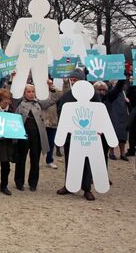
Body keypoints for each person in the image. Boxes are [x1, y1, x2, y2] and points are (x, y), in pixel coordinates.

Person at [56, 69, 99, 200]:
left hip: (87, 136)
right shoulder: (67, 96)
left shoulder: (93, 96)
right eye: (72, 80)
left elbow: (99, 113)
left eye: (76, 80)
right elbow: (61, 113)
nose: (74, 82)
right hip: (71, 136)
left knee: (86, 162)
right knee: (70, 161)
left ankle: (87, 189)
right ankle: (69, 186)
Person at [14, 81, 58, 191]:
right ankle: (19, 182)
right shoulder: (19, 102)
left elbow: (53, 99)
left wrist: (51, 87)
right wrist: (12, 79)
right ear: (24, 93)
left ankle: (33, 183)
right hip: (22, 134)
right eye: (28, 91)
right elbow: (12, 94)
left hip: (36, 135)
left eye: (33, 91)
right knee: (21, 159)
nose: (31, 94)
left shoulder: (39, 103)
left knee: (35, 160)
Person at [95, 80, 129, 161]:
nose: (102, 92)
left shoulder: (108, 98)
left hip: (104, 131)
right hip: (93, 132)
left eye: (104, 90)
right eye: (99, 90)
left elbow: (116, 90)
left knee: (103, 156)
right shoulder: (91, 99)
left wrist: (122, 78)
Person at [42, 84, 62, 169]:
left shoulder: (55, 91)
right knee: (40, 144)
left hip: (53, 121)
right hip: (43, 122)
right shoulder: (39, 93)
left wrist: (64, 83)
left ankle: (49, 160)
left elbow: (63, 94)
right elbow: (44, 104)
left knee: (51, 142)